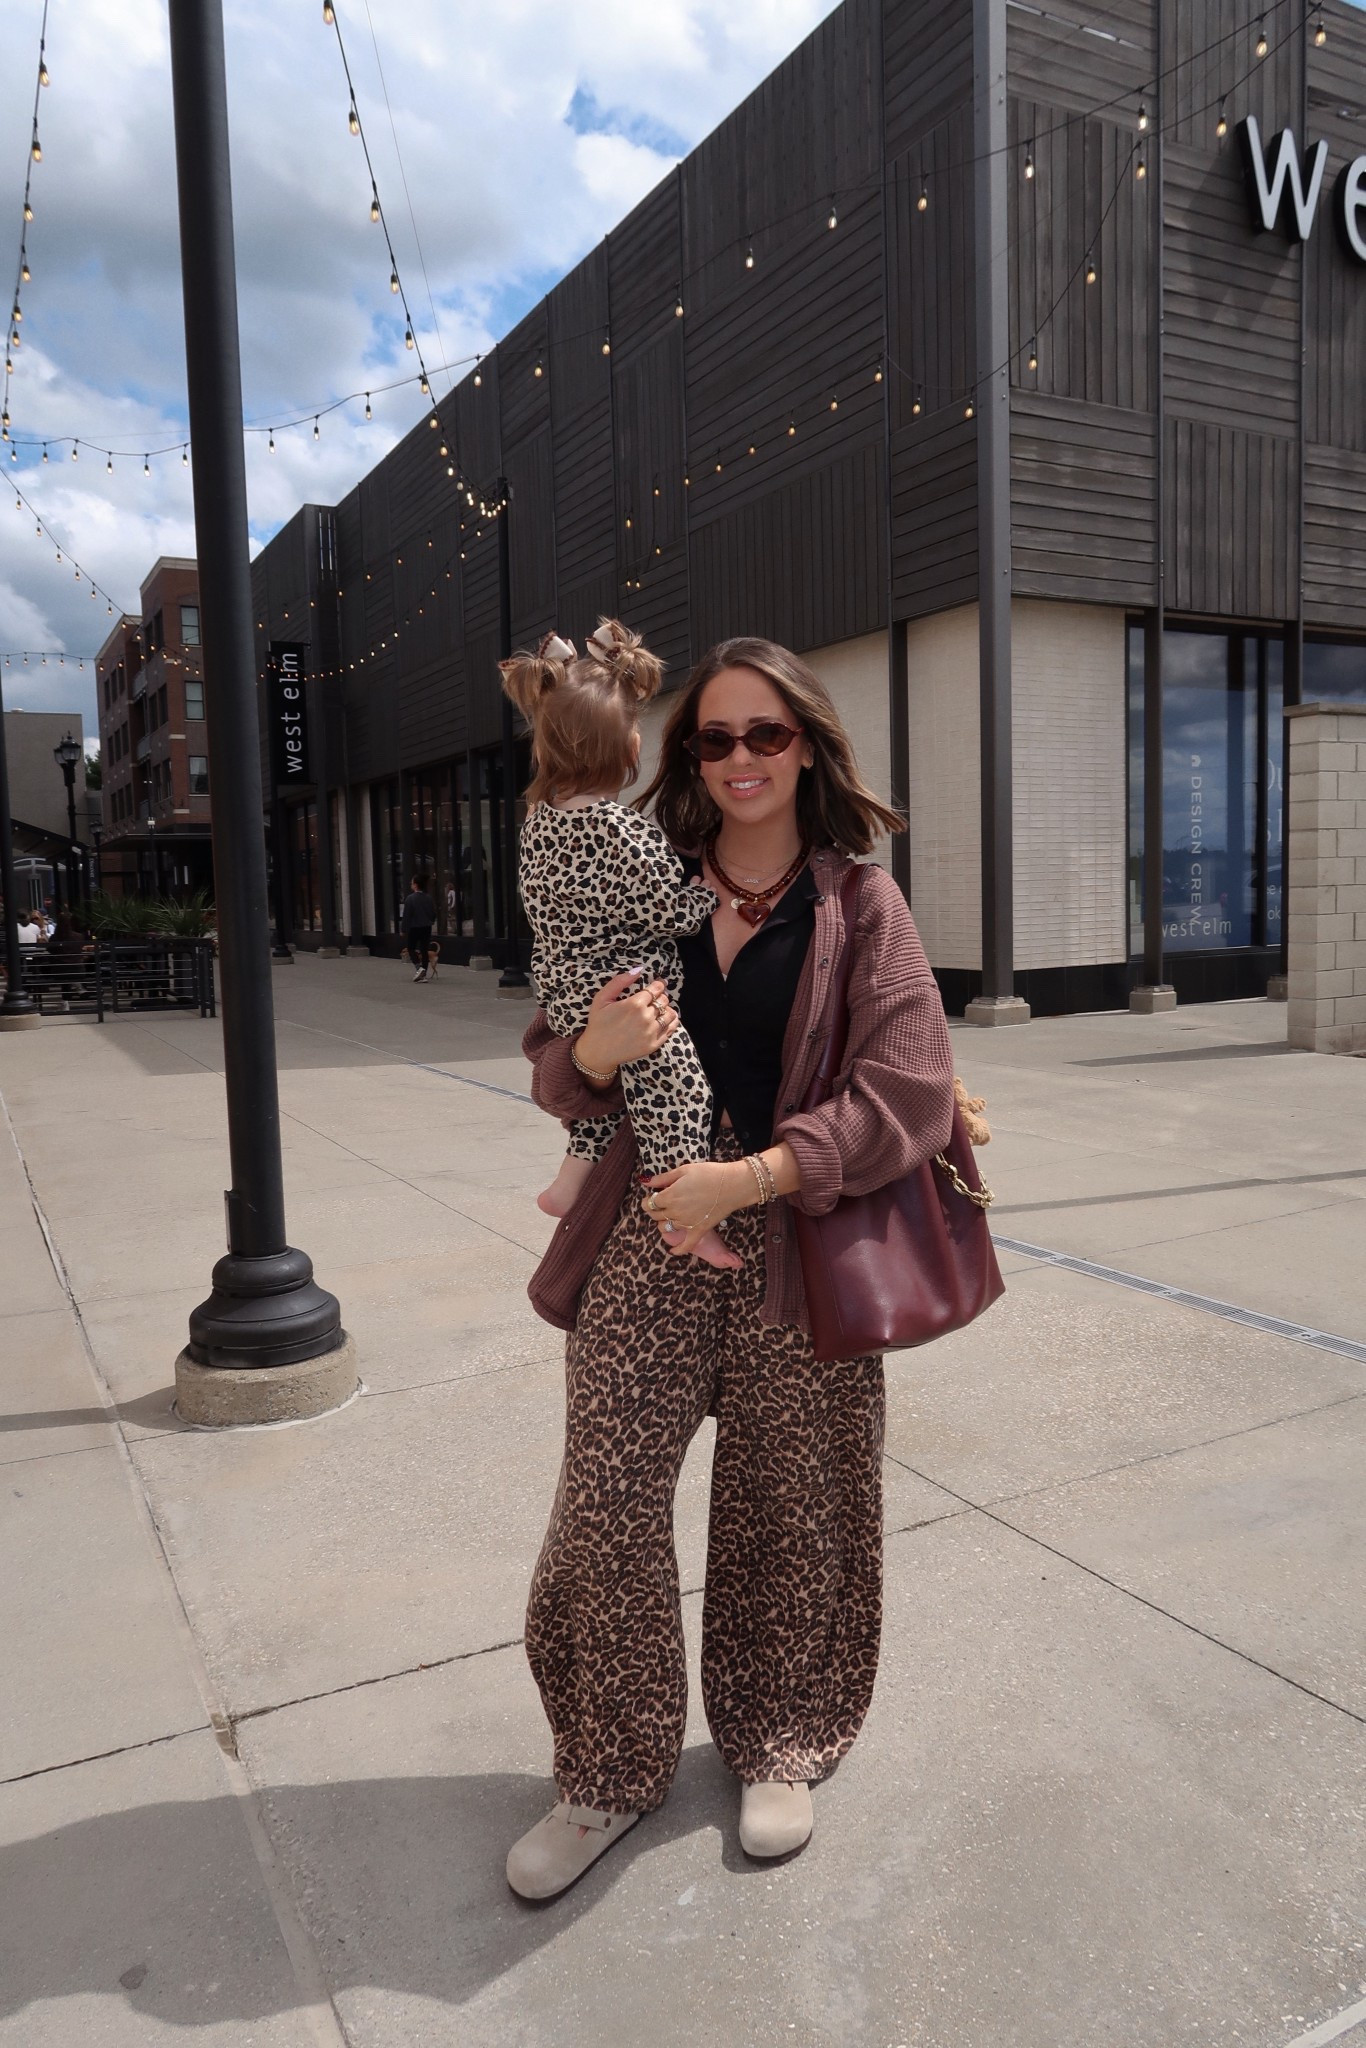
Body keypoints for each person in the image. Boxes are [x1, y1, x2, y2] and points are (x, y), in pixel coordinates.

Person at [505, 636, 956, 1901]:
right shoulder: (629, 873)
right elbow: (554, 1066)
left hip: (798, 1240)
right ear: (680, 752)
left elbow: (908, 1088)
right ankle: (607, 1761)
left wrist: (752, 1176)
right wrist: (589, 1051)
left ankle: (778, 1740)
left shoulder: (861, 905)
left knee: (795, 1502)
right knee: (602, 1502)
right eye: (714, 736)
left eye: (766, 733)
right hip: (645, 1235)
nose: (741, 757)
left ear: (805, 742)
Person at [500, 618, 737, 1271]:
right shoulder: (616, 829)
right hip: (628, 990)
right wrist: (708, 897)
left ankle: (569, 1180)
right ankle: (680, 1216)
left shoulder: (538, 824)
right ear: (628, 751)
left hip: (566, 993)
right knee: (677, 1089)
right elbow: (664, 906)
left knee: (617, 1096)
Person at [400, 873, 437, 981]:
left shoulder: (410, 899)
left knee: (411, 948)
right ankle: (424, 972)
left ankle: (419, 968)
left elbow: (407, 915)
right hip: (426, 927)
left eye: (411, 883)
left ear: (415, 885)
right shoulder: (428, 898)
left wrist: (403, 929)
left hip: (414, 927)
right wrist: (431, 921)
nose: (411, 885)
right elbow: (433, 913)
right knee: (424, 950)